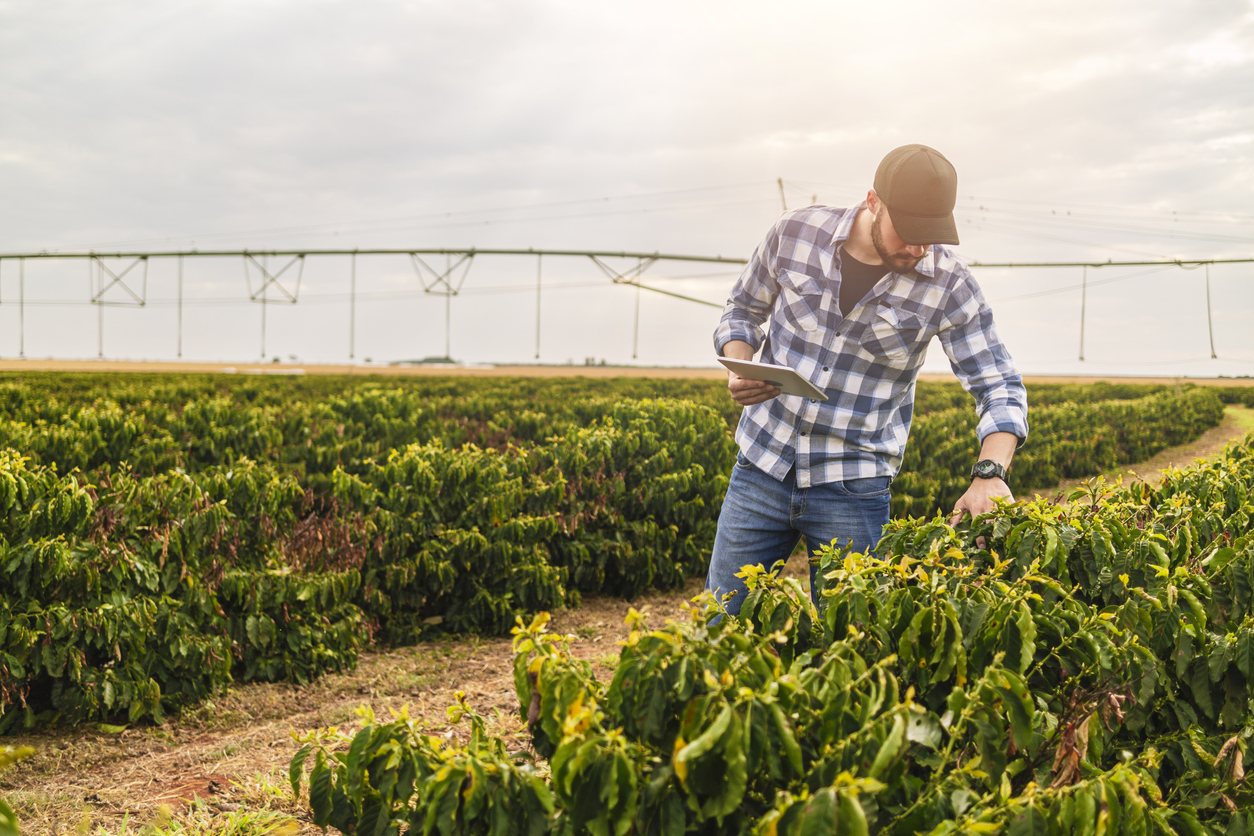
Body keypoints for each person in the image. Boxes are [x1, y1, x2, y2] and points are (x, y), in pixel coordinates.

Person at [707, 144, 1028, 615]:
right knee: (721, 623)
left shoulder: (949, 285)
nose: (919, 249)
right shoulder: (794, 234)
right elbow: (742, 309)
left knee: (850, 647)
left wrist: (990, 472)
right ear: (873, 201)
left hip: (853, 489)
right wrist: (739, 362)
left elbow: (998, 384)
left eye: (932, 235)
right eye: (910, 232)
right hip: (761, 467)